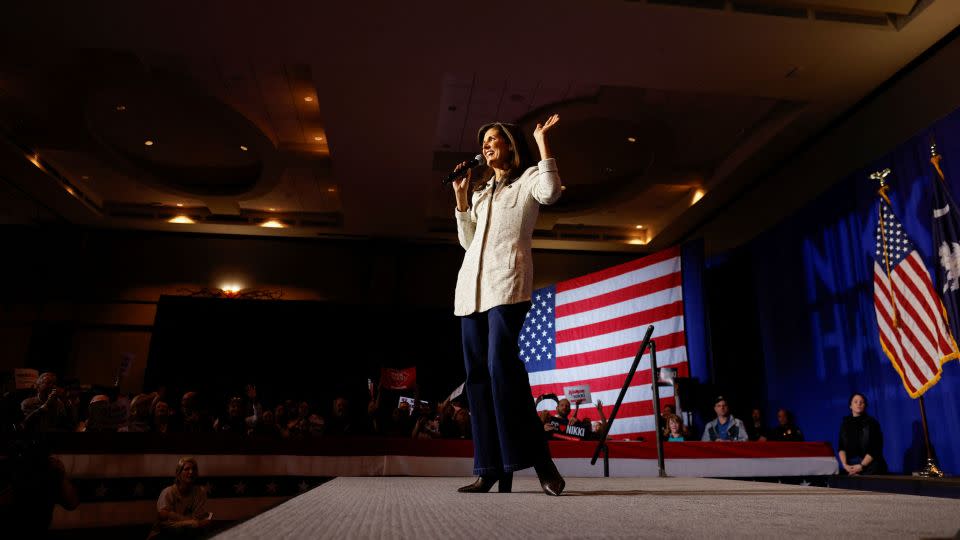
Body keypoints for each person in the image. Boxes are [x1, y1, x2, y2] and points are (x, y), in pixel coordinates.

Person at [451, 115, 565, 496]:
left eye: (494, 139)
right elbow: (468, 244)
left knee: (503, 368)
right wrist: (462, 200)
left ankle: (541, 461)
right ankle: (489, 468)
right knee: (478, 379)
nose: (487, 145)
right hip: (471, 293)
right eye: (484, 140)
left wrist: (542, 142)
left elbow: (551, 192)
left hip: (507, 286)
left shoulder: (529, 178)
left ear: (510, 146)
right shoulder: (482, 193)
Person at [148, 457, 212, 539]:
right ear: (179, 473)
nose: (191, 472)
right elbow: (165, 521)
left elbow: (201, 520)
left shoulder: (200, 492)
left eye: (194, 469)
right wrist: (191, 522)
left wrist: (178, 519)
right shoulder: (168, 492)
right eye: (186, 469)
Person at [838, 393, 886, 475]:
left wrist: (861, 466)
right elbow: (841, 447)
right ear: (850, 406)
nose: (859, 404)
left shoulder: (872, 423)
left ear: (865, 406)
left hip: (870, 467)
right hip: (851, 467)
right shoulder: (845, 424)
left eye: (862, 402)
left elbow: (875, 449)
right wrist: (845, 465)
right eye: (855, 402)